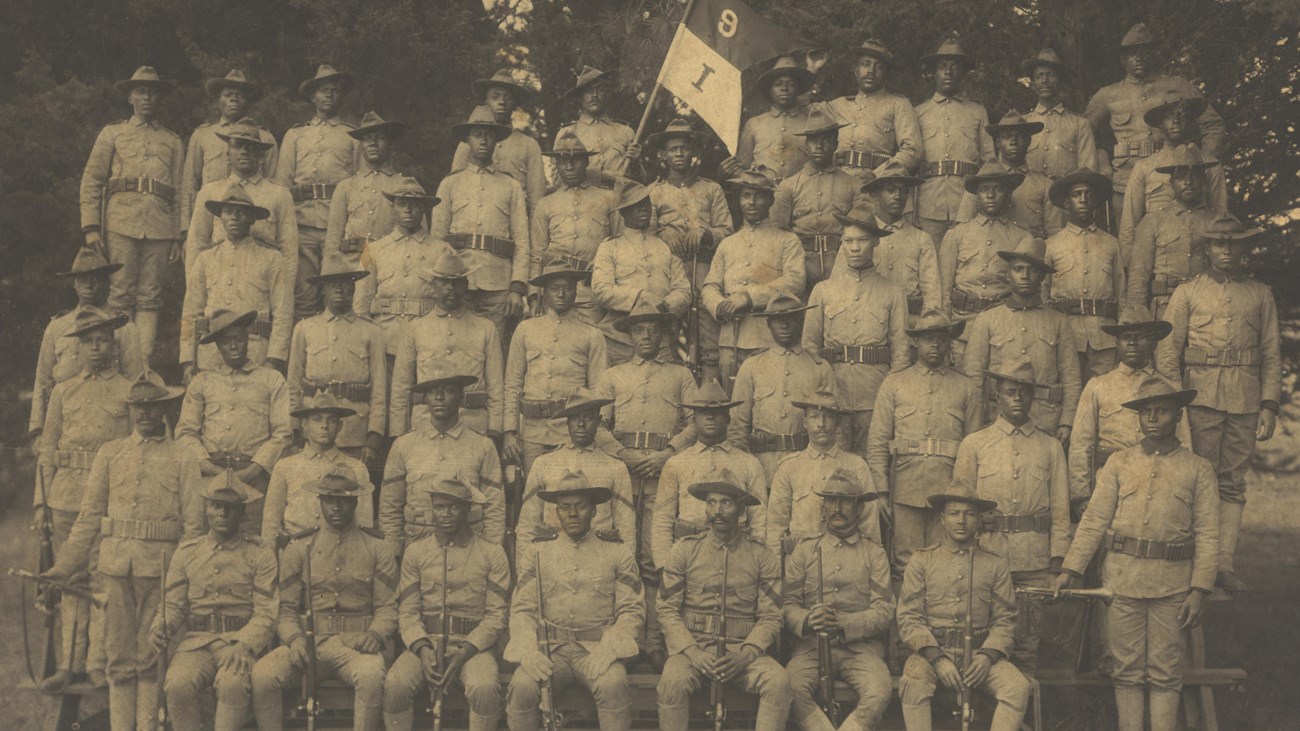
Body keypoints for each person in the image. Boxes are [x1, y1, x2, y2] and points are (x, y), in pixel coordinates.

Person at [43, 370, 204, 731]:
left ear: (164, 408)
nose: (144, 414)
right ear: (130, 410)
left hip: (159, 571)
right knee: (117, 656)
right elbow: (87, 519)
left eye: (152, 406)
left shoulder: (183, 457)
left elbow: (194, 530)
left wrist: (180, 580)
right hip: (115, 570)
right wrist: (63, 567)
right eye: (137, 407)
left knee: (149, 658)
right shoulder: (111, 453)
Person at [1057, 378, 1220, 731]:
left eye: (1160, 411)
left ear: (1178, 415)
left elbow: (1209, 534)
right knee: (1126, 671)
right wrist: (1072, 568)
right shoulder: (1118, 463)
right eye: (1145, 412)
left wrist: (1200, 589)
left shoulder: (1198, 469)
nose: (1152, 419)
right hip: (1122, 582)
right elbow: (1093, 521)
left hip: (1173, 586)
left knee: (1165, 672)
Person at [1157, 214, 1279, 591]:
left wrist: (1269, 404)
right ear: (1207, 248)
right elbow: (1167, 351)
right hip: (1200, 398)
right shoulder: (1188, 292)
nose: (1226, 250)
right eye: (1218, 244)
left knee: (1233, 483)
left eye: (1233, 243)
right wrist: (1175, 403)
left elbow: (1271, 353)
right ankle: (1196, 563)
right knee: (1200, 478)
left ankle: (1223, 564)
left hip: (1244, 398)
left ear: (1244, 248)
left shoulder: (1260, 294)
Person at [34, 307, 134, 692]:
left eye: (103, 340)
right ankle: (67, 664)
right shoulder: (63, 391)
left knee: (103, 576)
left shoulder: (128, 390)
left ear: (113, 343)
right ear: (79, 347)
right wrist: (41, 502)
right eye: (88, 341)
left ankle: (97, 662)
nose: (96, 347)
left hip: (109, 497)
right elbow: (48, 448)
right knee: (69, 578)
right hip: (66, 495)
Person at [593, 299, 698, 665]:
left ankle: (655, 639)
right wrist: (625, 455)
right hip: (624, 474)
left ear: (663, 333)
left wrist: (667, 452)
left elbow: (694, 423)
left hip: (661, 474)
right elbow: (598, 425)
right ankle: (625, 636)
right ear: (630, 335)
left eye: (654, 328)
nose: (647, 335)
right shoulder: (613, 376)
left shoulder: (681, 375)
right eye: (640, 329)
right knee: (622, 553)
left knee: (655, 558)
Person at [251, 472, 397, 731]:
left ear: (355, 502)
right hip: (310, 643)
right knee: (263, 674)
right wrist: (294, 640)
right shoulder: (300, 547)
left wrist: (376, 634)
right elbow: (286, 609)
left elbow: (388, 607)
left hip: (357, 646)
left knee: (371, 675)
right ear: (320, 501)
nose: (336, 507)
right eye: (329, 500)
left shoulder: (377, 547)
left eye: (343, 500)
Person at [952, 362, 1070, 674]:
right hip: (987, 557)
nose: (1017, 398)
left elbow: (1060, 511)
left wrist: (1056, 563)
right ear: (997, 397)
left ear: (1033, 397)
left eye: (1024, 392)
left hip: (1033, 563)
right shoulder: (974, 445)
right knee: (982, 646)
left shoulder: (1051, 447)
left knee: (1026, 648)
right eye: (1010, 392)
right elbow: (960, 509)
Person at [506, 473, 645, 731]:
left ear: (594, 511)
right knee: (522, 684)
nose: (572, 514)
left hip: (595, 650)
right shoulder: (537, 553)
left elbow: (631, 611)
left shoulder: (617, 553)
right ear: (556, 512)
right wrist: (527, 650)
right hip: (551, 650)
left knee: (613, 682)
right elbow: (522, 609)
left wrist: (610, 648)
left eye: (580, 506)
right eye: (565, 507)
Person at [656, 476, 792, 731]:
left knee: (779, 681)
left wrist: (747, 654)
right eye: (711, 503)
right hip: (694, 649)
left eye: (726, 503)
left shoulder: (761, 554)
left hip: (742, 652)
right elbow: (666, 609)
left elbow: (772, 616)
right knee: (672, 681)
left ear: (741, 510)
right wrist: (693, 652)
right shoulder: (684, 550)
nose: (717, 512)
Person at [149, 471, 278, 731]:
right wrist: (160, 626)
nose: (222, 514)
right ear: (206, 509)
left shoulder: (259, 553)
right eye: (216, 506)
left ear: (242, 513)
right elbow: (173, 605)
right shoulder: (187, 553)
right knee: (176, 684)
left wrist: (245, 644)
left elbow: (266, 612)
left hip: (238, 641)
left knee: (233, 684)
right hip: (196, 642)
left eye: (230, 508)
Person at [896, 483, 1029, 731]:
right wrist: (937, 659)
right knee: (913, 683)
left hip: (980, 654)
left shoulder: (995, 564)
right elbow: (909, 618)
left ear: (978, 520)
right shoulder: (922, 561)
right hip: (932, 653)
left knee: (1017, 687)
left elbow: (1006, 619)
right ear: (943, 519)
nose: (961, 521)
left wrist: (988, 656)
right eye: (955, 514)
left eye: (969, 514)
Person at [383, 476, 510, 731]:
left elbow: (497, 616)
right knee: (395, 683)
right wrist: (422, 648)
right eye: (440, 507)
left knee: (484, 687)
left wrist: (466, 651)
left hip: (474, 648)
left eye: (453, 507)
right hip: (426, 643)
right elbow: (407, 612)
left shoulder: (491, 553)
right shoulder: (416, 552)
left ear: (467, 509)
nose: (446, 514)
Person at [79, 65, 184, 360]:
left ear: (160, 98)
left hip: (161, 226)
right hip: (120, 221)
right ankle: (119, 361)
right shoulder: (113, 133)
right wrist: (90, 227)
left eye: (153, 92)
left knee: (151, 296)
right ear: (130, 98)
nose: (148, 97)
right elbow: (92, 179)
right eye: (141, 91)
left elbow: (179, 191)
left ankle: (142, 366)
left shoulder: (173, 141)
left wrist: (177, 235)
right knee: (121, 293)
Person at [867, 309, 981, 570]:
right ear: (915, 342)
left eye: (942, 338)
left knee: (950, 562)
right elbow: (877, 443)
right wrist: (882, 492)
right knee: (906, 563)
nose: (936, 344)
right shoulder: (895, 384)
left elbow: (974, 448)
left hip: (949, 491)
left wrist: (967, 497)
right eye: (929, 338)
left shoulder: (965, 387)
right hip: (905, 489)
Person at [783, 471, 894, 731]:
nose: (838, 508)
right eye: (831, 501)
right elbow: (786, 604)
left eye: (846, 501)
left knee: (880, 690)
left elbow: (885, 610)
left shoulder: (874, 553)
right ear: (824, 506)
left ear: (858, 507)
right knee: (788, 686)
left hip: (860, 649)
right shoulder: (805, 550)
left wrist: (844, 623)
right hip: (810, 647)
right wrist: (807, 619)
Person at [1085, 23, 1226, 220]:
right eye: (1133, 53)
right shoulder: (1108, 94)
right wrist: (1101, 161)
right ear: (1123, 59)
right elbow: (1083, 134)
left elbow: (1213, 125)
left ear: (1154, 54)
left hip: (1170, 178)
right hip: (1124, 180)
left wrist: (1200, 161)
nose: (1139, 57)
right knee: (1128, 237)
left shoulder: (1178, 86)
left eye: (1145, 51)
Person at [803, 207, 909, 455]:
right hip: (832, 398)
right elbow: (809, 348)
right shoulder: (823, 290)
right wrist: (821, 394)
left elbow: (901, 354)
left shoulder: (893, 292)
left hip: (873, 395)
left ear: (875, 243)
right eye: (848, 241)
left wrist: (888, 399)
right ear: (841, 243)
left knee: (871, 462)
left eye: (862, 240)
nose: (854, 248)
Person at [176, 309, 292, 533]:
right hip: (210, 478)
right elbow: (185, 433)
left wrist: (252, 471)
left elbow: (283, 433)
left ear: (248, 339)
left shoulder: (271, 379)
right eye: (226, 341)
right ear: (217, 346)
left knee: (252, 540)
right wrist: (208, 467)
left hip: (253, 479)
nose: (234, 346)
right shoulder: (202, 382)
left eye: (239, 339)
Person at [963, 237, 1082, 439]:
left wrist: (1067, 422)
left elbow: (1071, 378)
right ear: (1008, 274)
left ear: (1043, 276)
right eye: (1018, 269)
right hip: (997, 418)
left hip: (1045, 420)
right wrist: (975, 427)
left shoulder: (1059, 322)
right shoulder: (987, 319)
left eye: (1032, 270)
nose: (1025, 276)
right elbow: (973, 379)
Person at [431, 106, 531, 346]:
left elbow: (522, 241)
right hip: (458, 283)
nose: (483, 139)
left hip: (497, 283)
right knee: (455, 347)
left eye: (488, 134)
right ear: (467, 139)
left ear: (497, 139)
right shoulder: (450, 184)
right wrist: (442, 282)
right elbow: (436, 239)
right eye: (477, 134)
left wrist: (517, 288)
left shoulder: (510, 185)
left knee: (492, 351)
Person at [382, 368, 505, 557]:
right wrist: (391, 553)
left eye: (448, 390)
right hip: (417, 546)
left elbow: (494, 507)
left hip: (469, 549)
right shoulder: (403, 445)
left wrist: (490, 553)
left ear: (461, 398)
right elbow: (390, 506)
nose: (439, 397)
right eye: (432, 392)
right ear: (425, 399)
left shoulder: (483, 446)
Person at [29, 249, 142, 454]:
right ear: (74, 283)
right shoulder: (57, 327)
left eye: (96, 278)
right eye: (83, 279)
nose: (89, 285)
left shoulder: (124, 328)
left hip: (109, 426)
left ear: (108, 282)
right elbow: (43, 380)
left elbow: (135, 382)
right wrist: (38, 430)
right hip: (65, 424)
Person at [1068, 305, 1178, 514]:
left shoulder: (1169, 387)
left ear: (1154, 342)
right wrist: (1081, 495)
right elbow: (1081, 444)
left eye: (1141, 337)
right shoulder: (1098, 386)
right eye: (1126, 337)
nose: (1133, 343)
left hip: (1157, 482)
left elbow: (1184, 444)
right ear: (1117, 344)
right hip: (1108, 483)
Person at [703, 166, 806, 385]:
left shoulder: (787, 240)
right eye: (746, 196)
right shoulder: (727, 244)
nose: (751, 202)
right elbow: (710, 285)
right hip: (730, 339)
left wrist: (749, 297)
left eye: (759, 196)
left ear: (770, 201)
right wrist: (719, 305)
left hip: (767, 340)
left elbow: (795, 280)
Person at [503, 258, 608, 474]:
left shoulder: (591, 334)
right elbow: (512, 384)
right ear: (544, 293)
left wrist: (595, 432)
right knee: (532, 494)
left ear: (576, 292)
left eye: (568, 289)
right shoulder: (525, 330)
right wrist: (509, 431)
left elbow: (599, 389)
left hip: (569, 432)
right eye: (555, 289)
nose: (561, 294)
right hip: (532, 432)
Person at [652, 380, 768, 570]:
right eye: (704, 413)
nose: (711, 418)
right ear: (694, 420)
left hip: (736, 555)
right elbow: (662, 521)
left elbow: (760, 521)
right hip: (688, 555)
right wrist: (666, 566)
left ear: (728, 418)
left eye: (718, 413)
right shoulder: (676, 464)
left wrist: (756, 562)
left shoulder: (749, 463)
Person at [645, 119, 733, 369]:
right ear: (663, 155)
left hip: (705, 270)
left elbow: (728, 231)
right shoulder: (653, 192)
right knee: (666, 335)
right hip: (669, 273)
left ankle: (710, 395)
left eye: (684, 148)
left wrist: (706, 234)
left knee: (710, 340)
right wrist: (664, 237)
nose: (679, 153)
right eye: (673, 149)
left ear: (693, 152)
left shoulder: (711, 189)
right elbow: (646, 237)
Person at [388, 250, 503, 439]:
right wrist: (397, 434)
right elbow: (401, 387)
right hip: (424, 427)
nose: (451, 287)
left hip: (473, 426)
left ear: (466, 286)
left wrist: (495, 430)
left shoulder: (485, 328)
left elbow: (496, 387)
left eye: (457, 282)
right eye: (445, 282)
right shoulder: (415, 328)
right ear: (434, 286)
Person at [276, 64, 361, 318]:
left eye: (335, 91)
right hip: (301, 226)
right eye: (324, 90)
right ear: (313, 96)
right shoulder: (295, 135)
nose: (330, 95)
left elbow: (359, 185)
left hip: (337, 227)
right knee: (303, 296)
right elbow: (282, 186)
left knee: (337, 295)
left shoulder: (352, 135)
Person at [180, 185, 294, 376]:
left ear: (252, 219)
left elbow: (283, 313)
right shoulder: (205, 259)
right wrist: (187, 361)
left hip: (255, 352)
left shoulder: (271, 258)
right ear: (220, 217)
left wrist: (275, 359)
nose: (234, 217)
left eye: (242, 212)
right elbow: (191, 313)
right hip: (211, 355)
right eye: (229, 211)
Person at [287, 257, 387, 465]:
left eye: (345, 283)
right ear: (323, 289)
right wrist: (294, 429)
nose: (339, 289)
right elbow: (293, 384)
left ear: (353, 288)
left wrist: (374, 435)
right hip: (314, 433)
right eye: (333, 284)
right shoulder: (305, 329)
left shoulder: (371, 331)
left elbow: (379, 389)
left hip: (354, 433)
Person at [937, 160, 1036, 365]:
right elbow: (944, 294)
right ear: (976, 195)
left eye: (998, 189)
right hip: (962, 326)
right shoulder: (956, 235)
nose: (990, 196)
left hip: (1003, 327)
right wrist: (945, 335)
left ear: (1008, 194)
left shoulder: (1022, 237)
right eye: (984, 190)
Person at [516, 389, 636, 551]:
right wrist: (526, 572)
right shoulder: (544, 463)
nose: (581, 424)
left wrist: (623, 569)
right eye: (575, 419)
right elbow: (527, 525)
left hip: (599, 555)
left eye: (588, 418)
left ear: (598, 420)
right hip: (553, 555)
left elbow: (626, 528)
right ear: (567, 422)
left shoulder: (615, 467)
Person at [729, 295, 833, 481]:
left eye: (791, 319)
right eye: (777, 320)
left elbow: (833, 426)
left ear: (801, 321)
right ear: (768, 324)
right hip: (762, 468)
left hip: (806, 467)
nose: (784, 325)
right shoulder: (752, 366)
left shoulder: (820, 368)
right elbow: (738, 426)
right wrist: (742, 470)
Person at [184, 117, 299, 282]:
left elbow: (289, 251)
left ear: (261, 156)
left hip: (262, 281)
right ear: (228, 155)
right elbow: (197, 244)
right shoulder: (210, 192)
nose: (244, 151)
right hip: (219, 279)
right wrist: (196, 292)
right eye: (238, 146)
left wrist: (284, 293)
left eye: (251, 147)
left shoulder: (279, 194)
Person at [1118, 91, 1228, 261]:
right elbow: (1129, 223)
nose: (1176, 121)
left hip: (1200, 257)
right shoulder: (1145, 167)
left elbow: (1220, 217)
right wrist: (1130, 265)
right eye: (1169, 116)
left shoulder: (1210, 165)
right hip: (1158, 259)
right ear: (1161, 123)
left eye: (1182, 115)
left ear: (1191, 120)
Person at [767, 388, 883, 549]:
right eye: (815, 417)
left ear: (837, 423)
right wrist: (779, 571)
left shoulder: (857, 465)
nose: (821, 424)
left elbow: (869, 525)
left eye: (828, 417)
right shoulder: (788, 467)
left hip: (844, 558)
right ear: (805, 423)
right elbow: (776, 526)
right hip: (801, 563)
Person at [592, 180, 692, 365]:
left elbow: (684, 290)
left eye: (645, 203)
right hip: (619, 340)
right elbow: (601, 290)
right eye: (635, 206)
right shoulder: (610, 247)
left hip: (659, 338)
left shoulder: (666, 246)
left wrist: (665, 306)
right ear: (623, 212)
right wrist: (640, 297)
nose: (643, 209)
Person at [353, 177, 453, 361]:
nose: (408, 209)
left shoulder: (442, 250)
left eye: (414, 204)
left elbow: (452, 301)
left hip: (428, 340)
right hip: (385, 340)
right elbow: (361, 303)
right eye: (401, 204)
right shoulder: (373, 250)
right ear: (393, 208)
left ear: (424, 208)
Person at [769, 105, 869, 287]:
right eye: (814, 140)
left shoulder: (853, 185)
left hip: (840, 264)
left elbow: (861, 231)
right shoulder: (789, 185)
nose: (820, 146)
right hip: (800, 265)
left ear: (836, 145)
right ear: (806, 144)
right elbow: (778, 234)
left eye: (827, 140)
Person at [914, 33, 995, 245]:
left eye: (955, 66)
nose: (948, 72)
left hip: (967, 201)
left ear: (963, 73)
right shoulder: (918, 113)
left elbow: (989, 163)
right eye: (942, 66)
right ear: (934, 72)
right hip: (929, 204)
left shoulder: (978, 112)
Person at [1044, 167, 1124, 380]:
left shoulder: (1111, 244)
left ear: (1096, 201)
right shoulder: (1051, 246)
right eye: (1076, 194)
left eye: (1088, 194)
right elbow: (1042, 300)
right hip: (1067, 336)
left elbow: (1122, 295)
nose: (1083, 199)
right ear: (1067, 203)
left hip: (1105, 337)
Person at [529, 131, 618, 321]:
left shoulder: (608, 199)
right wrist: (533, 297)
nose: (569, 166)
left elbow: (620, 245)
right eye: (562, 161)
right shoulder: (546, 204)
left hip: (591, 288)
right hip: (554, 289)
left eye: (575, 160)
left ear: (586, 162)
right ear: (556, 164)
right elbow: (537, 254)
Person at [1125, 143, 1221, 317]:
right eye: (1181, 176)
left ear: (1204, 180)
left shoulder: (1217, 222)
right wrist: (1136, 315)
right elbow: (1138, 279)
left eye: (1195, 176)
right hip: (1165, 307)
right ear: (1171, 182)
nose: (1188, 182)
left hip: (1206, 307)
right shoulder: (1153, 221)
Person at [262, 394, 374, 542]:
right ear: (304, 424)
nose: (324, 425)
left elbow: (363, 524)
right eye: (317, 419)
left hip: (338, 553)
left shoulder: (357, 468)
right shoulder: (285, 466)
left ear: (339, 427)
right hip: (294, 550)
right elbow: (271, 523)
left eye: (332, 420)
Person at [181, 69, 278, 227]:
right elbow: (189, 184)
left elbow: (273, 185)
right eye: (228, 95)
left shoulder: (265, 138)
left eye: (240, 95)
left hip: (250, 221)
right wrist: (186, 227)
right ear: (218, 99)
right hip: (209, 219)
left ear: (248, 101)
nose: (234, 99)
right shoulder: (202, 135)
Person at [851, 162, 941, 317]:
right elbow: (842, 284)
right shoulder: (858, 236)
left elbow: (931, 294)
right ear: (877, 194)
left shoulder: (921, 239)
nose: (898, 196)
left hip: (908, 321)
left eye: (903, 191)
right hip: (867, 318)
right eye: (890, 190)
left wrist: (926, 323)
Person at [954, 111, 1059, 240]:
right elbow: (962, 231)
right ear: (998, 143)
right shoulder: (980, 182)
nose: (1013, 142)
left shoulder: (1044, 184)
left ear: (1028, 141)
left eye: (1019, 136)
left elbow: (1055, 236)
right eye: (1007, 137)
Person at [452, 68, 546, 210]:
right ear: (486, 101)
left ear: (515, 104)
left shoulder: (529, 145)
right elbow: (455, 187)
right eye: (495, 97)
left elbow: (537, 198)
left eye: (508, 98)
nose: (501, 102)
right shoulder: (468, 143)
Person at [827, 39, 922, 178]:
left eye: (879, 67)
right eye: (865, 64)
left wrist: (877, 175)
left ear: (886, 75)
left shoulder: (898, 104)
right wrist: (812, 70)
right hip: (837, 183)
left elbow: (912, 151)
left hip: (875, 185)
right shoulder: (837, 105)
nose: (871, 71)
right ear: (856, 71)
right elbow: (805, 114)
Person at [323, 111, 407, 267]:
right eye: (367, 139)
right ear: (360, 145)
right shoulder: (346, 187)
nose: (373, 143)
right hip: (353, 265)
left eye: (380, 138)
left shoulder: (404, 185)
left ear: (390, 143)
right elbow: (333, 240)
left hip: (392, 263)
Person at [727, 55, 817, 183]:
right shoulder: (754, 124)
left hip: (799, 196)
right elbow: (743, 167)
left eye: (791, 84)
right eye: (778, 84)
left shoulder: (811, 123)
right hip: (763, 195)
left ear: (798, 89)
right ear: (769, 89)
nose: (784, 89)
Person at [1021, 48, 1098, 182]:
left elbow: (1087, 171)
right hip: (1029, 198)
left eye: (1051, 75)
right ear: (1033, 83)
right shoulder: (1022, 123)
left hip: (1064, 197)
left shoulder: (1079, 124)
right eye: (1039, 76)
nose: (1044, 80)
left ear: (1061, 81)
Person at [555, 66, 637, 188]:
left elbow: (639, 182)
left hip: (620, 201)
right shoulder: (567, 132)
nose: (594, 95)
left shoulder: (625, 131)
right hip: (584, 202)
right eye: (588, 91)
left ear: (607, 95)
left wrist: (636, 163)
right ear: (580, 97)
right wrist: (602, 175)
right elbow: (557, 180)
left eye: (600, 90)